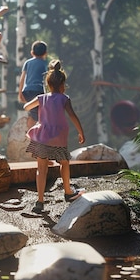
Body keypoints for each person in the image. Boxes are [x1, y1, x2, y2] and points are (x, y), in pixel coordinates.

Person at [24, 59, 85, 214]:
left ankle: (40, 201)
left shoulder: (41, 98)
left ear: (48, 84)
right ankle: (68, 192)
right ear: (63, 85)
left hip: (42, 136)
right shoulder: (65, 99)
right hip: (58, 137)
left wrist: (39, 106)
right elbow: (72, 115)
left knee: (41, 168)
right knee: (64, 163)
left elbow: (26, 106)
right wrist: (80, 131)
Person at [18, 40, 48, 129]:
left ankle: (30, 134)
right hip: (39, 91)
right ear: (45, 53)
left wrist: (20, 93)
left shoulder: (27, 62)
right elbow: (47, 79)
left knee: (33, 112)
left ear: (32, 52)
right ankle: (34, 136)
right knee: (40, 114)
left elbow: (22, 78)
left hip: (27, 90)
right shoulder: (45, 64)